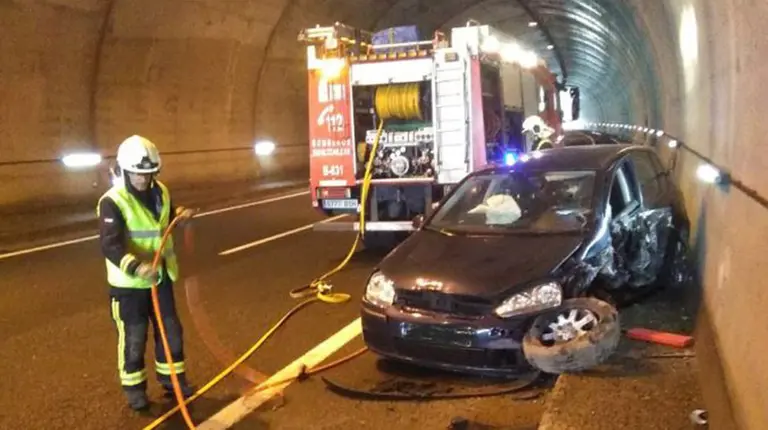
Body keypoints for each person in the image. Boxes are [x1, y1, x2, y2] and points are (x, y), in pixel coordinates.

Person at [97, 135, 196, 410]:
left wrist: (179, 214)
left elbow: (163, 216)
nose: (143, 179)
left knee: (170, 331)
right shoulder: (112, 201)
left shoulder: (161, 191)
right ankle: (135, 390)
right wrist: (137, 267)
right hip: (129, 286)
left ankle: (174, 382)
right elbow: (110, 244)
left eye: (149, 174)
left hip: (160, 278)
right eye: (138, 174)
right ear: (124, 171)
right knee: (134, 337)